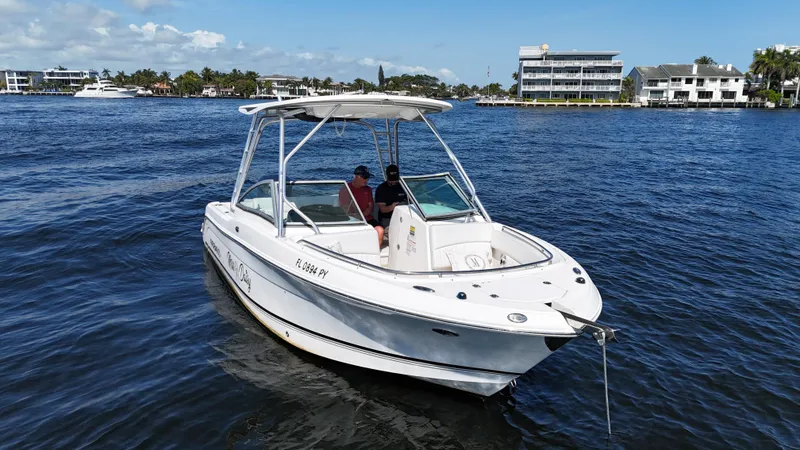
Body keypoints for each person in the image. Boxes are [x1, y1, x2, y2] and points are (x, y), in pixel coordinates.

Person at [339, 165, 384, 246]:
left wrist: (362, 216)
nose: (367, 180)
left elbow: (370, 207)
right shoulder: (345, 189)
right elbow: (346, 210)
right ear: (356, 177)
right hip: (352, 220)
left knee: (380, 231)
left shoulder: (368, 189)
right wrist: (358, 217)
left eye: (368, 177)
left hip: (366, 218)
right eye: (365, 177)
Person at [375, 164, 407, 228]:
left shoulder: (404, 186)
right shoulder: (381, 188)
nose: (393, 182)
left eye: (395, 179)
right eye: (391, 180)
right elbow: (383, 210)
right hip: (388, 218)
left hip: (404, 216)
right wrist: (392, 207)